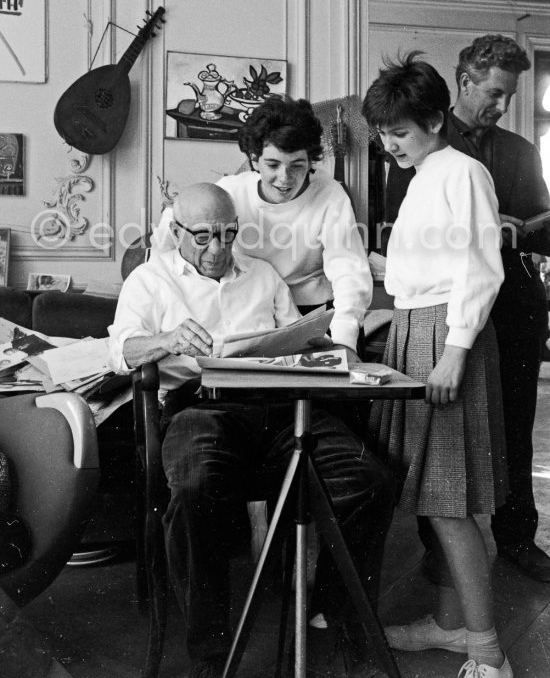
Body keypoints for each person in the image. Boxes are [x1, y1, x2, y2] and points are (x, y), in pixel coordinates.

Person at [109, 182, 395, 678]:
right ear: (175, 232)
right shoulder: (150, 281)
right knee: (196, 489)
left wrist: (320, 345)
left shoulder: (261, 275)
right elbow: (120, 354)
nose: (218, 249)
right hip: (200, 410)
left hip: (282, 407)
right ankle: (210, 654)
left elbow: (300, 343)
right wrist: (165, 339)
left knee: (370, 481)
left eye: (227, 234)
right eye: (202, 237)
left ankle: (332, 614)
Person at [362, 54, 511, 678]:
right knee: (440, 500)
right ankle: (452, 628)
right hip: (416, 329)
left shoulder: (462, 172)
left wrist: (453, 348)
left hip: (448, 337)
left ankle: (487, 653)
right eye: (382, 131)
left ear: (433, 119)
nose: (387, 142)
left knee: (454, 504)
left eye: (399, 131)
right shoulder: (424, 173)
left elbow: (479, 267)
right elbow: (427, 268)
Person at [385, 34, 550, 583]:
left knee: (515, 425)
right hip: (446, 307)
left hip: (514, 305)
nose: (501, 106)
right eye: (495, 93)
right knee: (446, 440)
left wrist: (515, 230)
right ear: (464, 83)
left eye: (508, 96)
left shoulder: (519, 153)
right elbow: (398, 227)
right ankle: (443, 554)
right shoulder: (411, 138)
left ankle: (516, 538)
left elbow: (542, 228)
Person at [151, 97, 373, 364]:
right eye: (273, 165)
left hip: (313, 316)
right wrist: (160, 281)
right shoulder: (232, 189)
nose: (285, 178)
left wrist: (343, 342)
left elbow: (350, 274)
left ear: (312, 160)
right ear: (254, 160)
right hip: (253, 312)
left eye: (297, 166)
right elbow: (173, 222)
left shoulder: (330, 197)